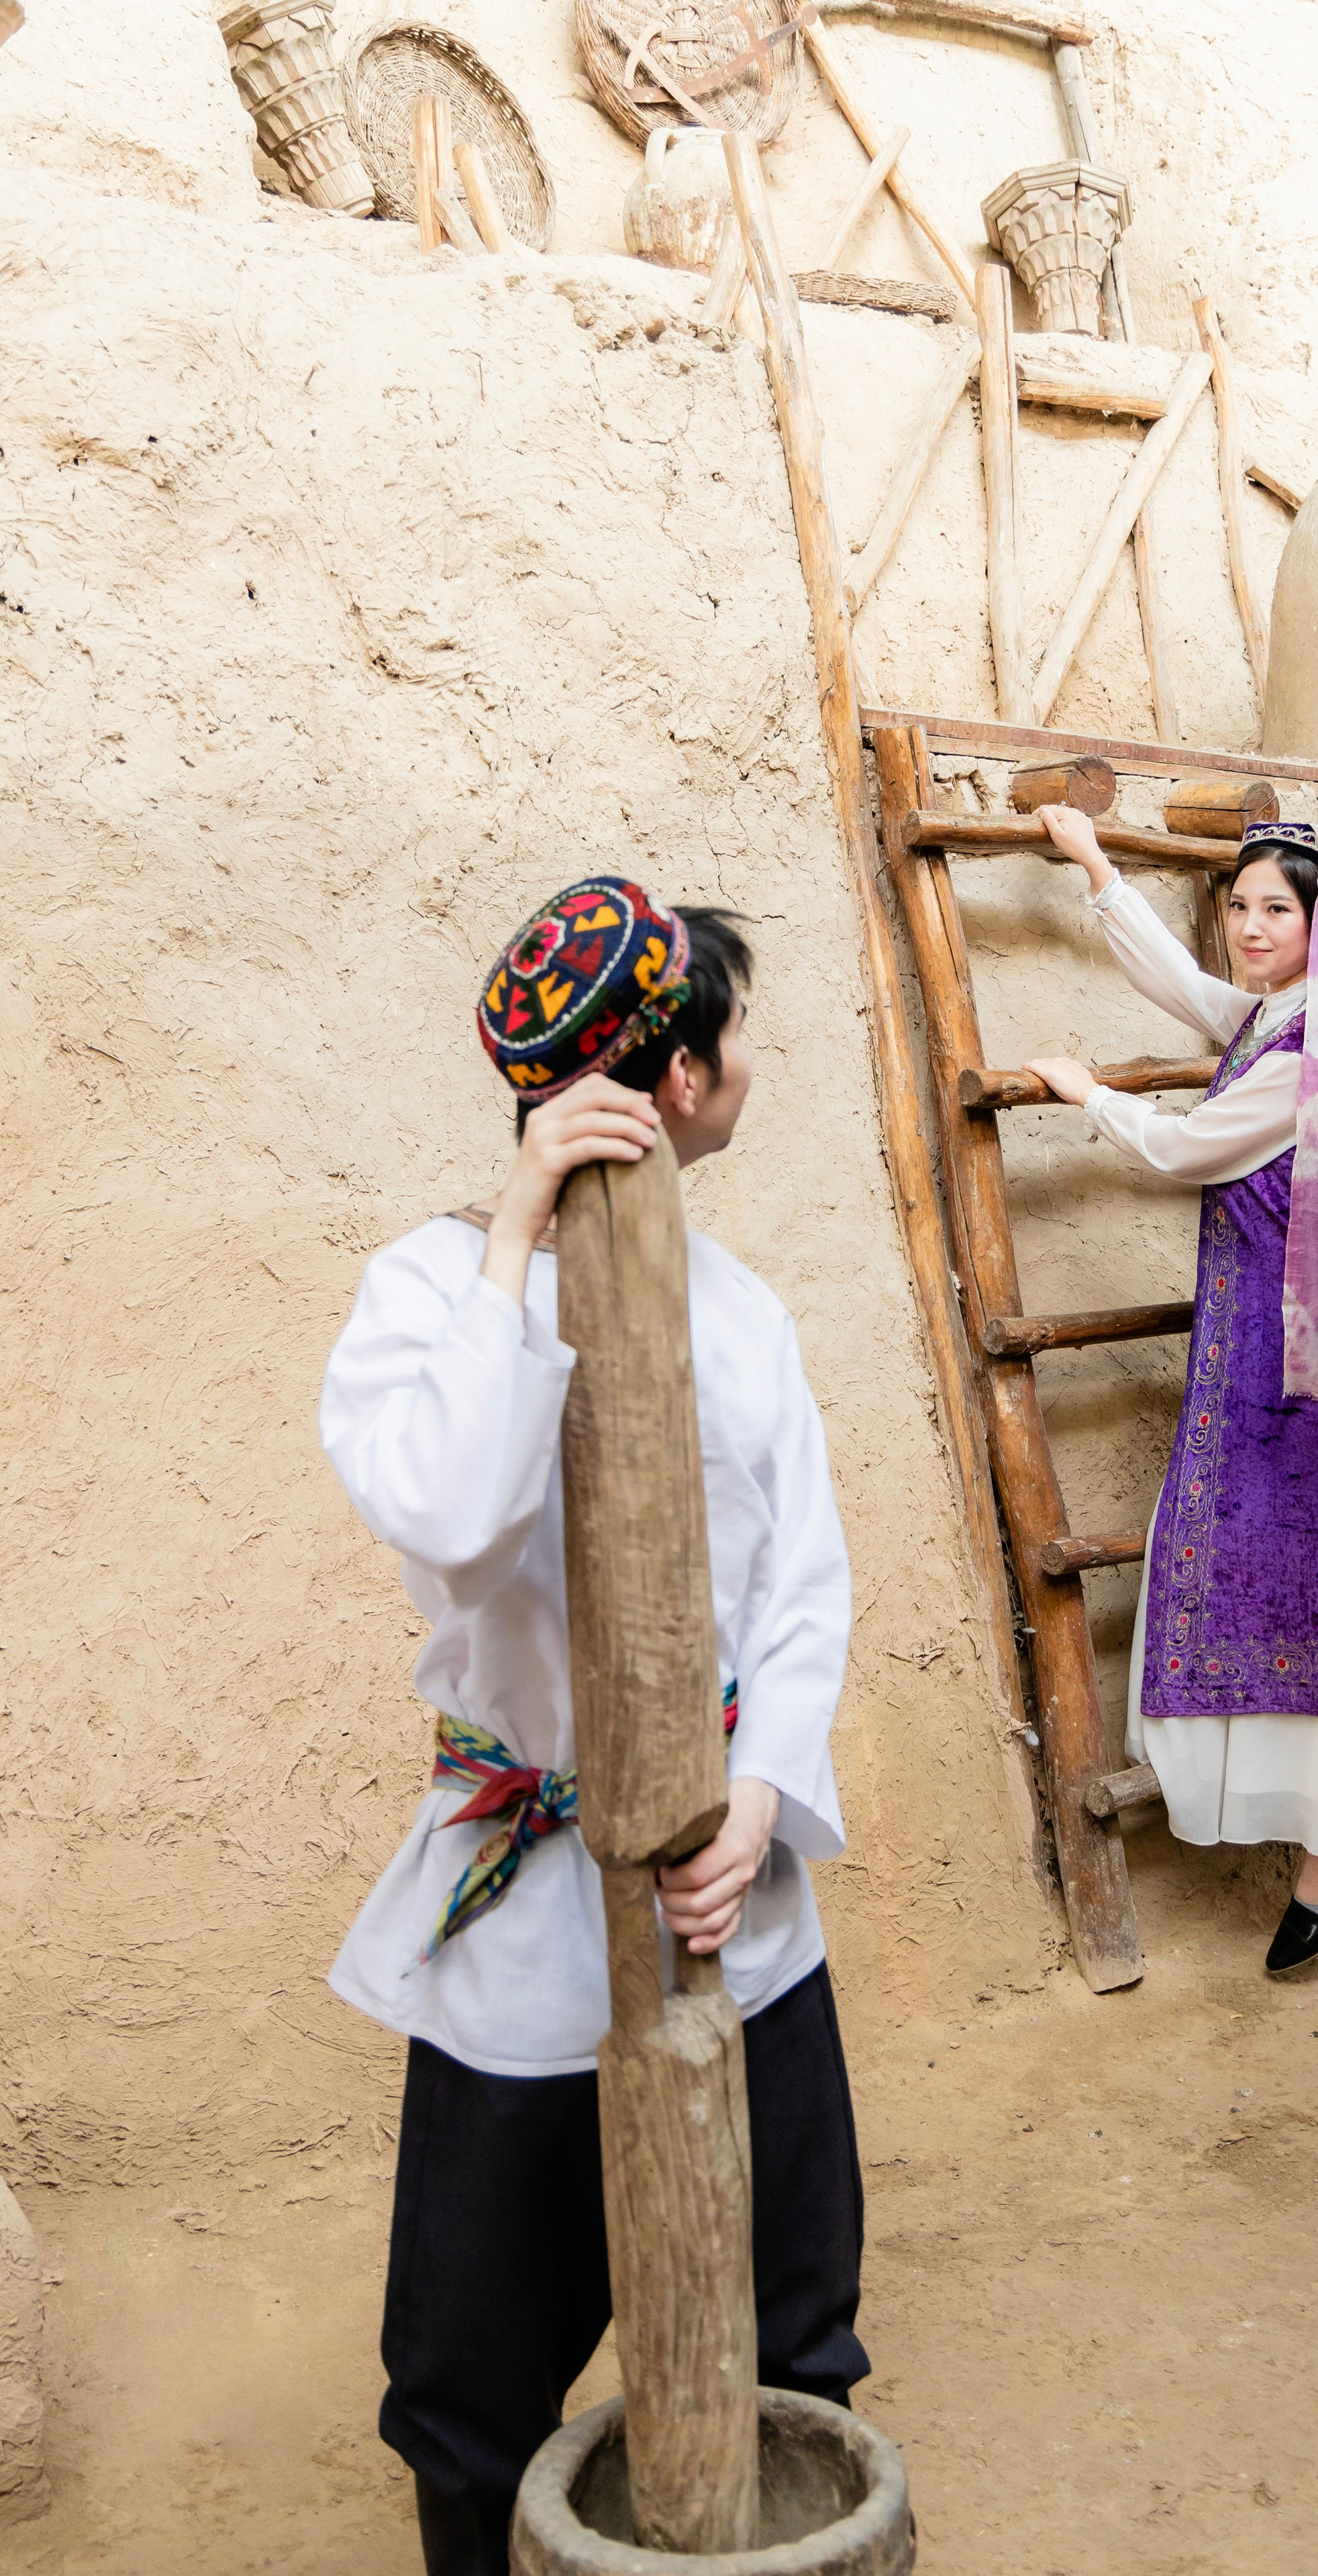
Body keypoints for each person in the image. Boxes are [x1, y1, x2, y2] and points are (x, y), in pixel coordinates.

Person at [319, 877, 867, 2576]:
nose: (749, 1066)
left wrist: (760, 1793)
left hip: (731, 1900)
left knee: (792, 2329)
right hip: (531, 1940)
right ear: (681, 1082)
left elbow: (800, 1590)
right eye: (737, 1037)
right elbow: (456, 1515)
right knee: (469, 2380)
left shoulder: (747, 1313)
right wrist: (512, 1235)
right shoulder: (426, 1292)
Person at [1023, 810, 1318, 1974]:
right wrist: (1093, 867)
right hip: (1261, 1350)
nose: (1249, 927)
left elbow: (1188, 1149)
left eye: (1275, 909)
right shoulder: (1283, 1014)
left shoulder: (1315, 1041)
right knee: (1276, 1571)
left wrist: (1087, 1096)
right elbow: (1189, 989)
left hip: (1307, 1362)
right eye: (1239, 906)